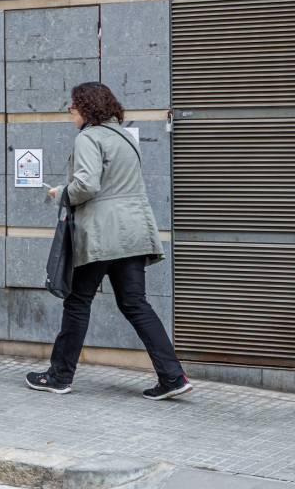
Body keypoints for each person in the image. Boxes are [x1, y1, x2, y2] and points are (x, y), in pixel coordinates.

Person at [25, 81, 193, 400]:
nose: (69, 111)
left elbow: (87, 185)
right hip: (134, 232)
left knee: (77, 302)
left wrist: (60, 193)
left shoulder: (90, 137)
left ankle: (59, 376)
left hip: (104, 234)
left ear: (87, 107)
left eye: (72, 106)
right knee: (135, 303)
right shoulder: (125, 138)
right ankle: (173, 376)